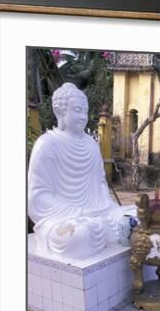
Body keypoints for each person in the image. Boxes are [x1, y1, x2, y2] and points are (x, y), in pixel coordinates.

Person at [28, 82, 136, 259]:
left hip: (99, 211)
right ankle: (99, 232)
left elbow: (100, 184)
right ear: (60, 112)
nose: (83, 116)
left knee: (134, 217)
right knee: (78, 237)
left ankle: (103, 229)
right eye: (77, 110)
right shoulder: (47, 144)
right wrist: (78, 213)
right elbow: (38, 198)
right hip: (65, 218)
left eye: (85, 111)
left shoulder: (91, 144)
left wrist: (108, 206)